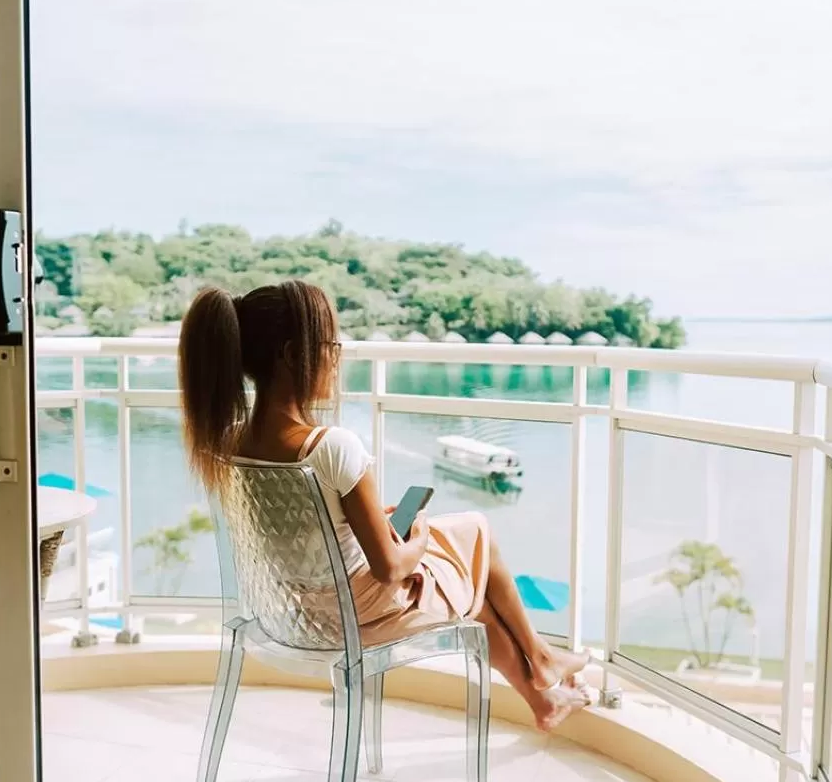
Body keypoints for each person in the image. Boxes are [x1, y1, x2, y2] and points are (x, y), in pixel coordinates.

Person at [178, 280, 592, 731]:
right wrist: (419, 535)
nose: (337, 359)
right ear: (294, 353)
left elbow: (301, 532)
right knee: (475, 537)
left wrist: (370, 523)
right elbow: (390, 569)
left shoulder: (228, 439)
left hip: (293, 609)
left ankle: (544, 695)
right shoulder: (331, 446)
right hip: (358, 615)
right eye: (330, 345)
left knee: (471, 571)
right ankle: (543, 660)